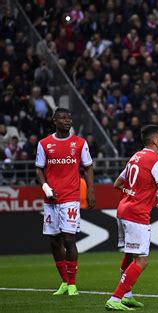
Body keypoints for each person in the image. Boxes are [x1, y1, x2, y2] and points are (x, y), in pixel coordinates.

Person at [105, 125, 158, 311]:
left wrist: (137, 193)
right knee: (142, 260)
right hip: (137, 213)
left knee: (129, 254)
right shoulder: (157, 160)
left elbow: (118, 183)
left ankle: (127, 295)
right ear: (154, 141)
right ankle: (115, 298)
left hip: (123, 210)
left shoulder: (135, 157)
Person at [35, 108, 95, 296]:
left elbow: (88, 167)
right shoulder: (44, 144)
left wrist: (91, 191)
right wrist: (46, 188)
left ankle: (72, 284)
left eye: (69, 118)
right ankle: (64, 281)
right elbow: (39, 169)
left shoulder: (79, 143)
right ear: (54, 120)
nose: (67, 120)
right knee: (54, 241)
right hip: (51, 198)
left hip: (71, 197)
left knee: (69, 238)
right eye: (62, 118)